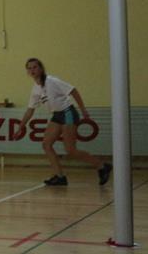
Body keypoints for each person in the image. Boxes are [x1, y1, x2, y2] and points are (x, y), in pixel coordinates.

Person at [14, 58, 112, 186]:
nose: (32, 70)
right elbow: (30, 110)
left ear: (41, 68)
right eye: (29, 68)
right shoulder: (35, 89)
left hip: (68, 113)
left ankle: (102, 166)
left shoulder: (52, 81)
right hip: (57, 115)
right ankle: (60, 176)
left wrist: (83, 110)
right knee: (46, 144)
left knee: (70, 150)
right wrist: (21, 126)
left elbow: (73, 91)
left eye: (35, 67)